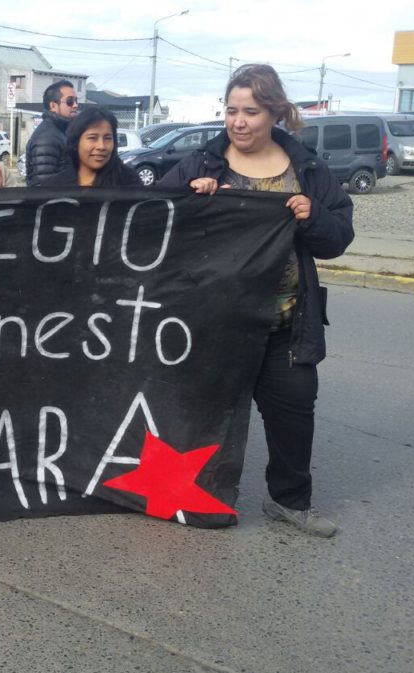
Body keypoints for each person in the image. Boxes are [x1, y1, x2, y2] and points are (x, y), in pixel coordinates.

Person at [159, 63, 354, 538]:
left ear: (275, 114)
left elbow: (338, 237)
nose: (238, 122)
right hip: (215, 322)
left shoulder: (306, 168)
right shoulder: (203, 163)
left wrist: (312, 216)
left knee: (294, 411)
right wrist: (190, 199)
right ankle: (189, 495)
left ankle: (290, 501)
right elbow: (155, 222)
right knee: (203, 414)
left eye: (250, 112)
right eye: (231, 111)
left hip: (286, 321)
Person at [43, 106, 140, 187]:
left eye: (107, 138)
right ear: (76, 142)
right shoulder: (55, 186)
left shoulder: (129, 183)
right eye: (92, 138)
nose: (101, 146)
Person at [24, 79, 80, 186]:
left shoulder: (61, 131)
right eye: (70, 101)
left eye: (76, 100)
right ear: (53, 106)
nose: (75, 105)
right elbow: (43, 186)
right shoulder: (47, 137)